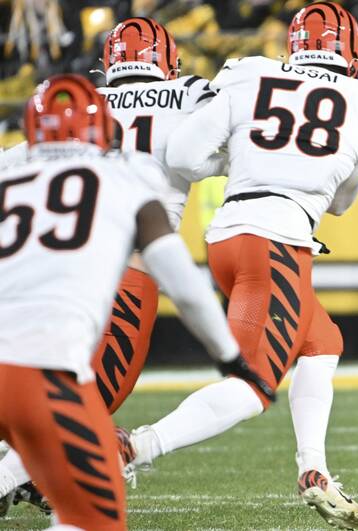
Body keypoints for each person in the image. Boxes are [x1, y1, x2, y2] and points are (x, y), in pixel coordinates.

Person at [118, 2, 358, 528]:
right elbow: (340, 204)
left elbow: (182, 157)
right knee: (253, 387)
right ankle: (135, 448)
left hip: (229, 235)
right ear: (353, 52)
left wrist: (243, 158)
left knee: (324, 342)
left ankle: (314, 470)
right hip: (279, 243)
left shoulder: (252, 75)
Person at [0, 74, 270, 530]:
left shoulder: (9, 169)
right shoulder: (126, 173)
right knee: (95, 517)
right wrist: (228, 354)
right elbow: (181, 280)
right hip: (39, 370)